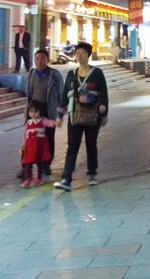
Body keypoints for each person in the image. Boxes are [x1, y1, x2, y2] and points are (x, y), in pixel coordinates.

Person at [54, 42, 108, 191]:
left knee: (91, 145)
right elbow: (64, 96)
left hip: (93, 116)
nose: (79, 55)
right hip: (75, 116)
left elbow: (104, 94)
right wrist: (60, 115)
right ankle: (66, 178)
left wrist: (104, 114)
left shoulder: (97, 73)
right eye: (77, 53)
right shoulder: (71, 74)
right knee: (72, 146)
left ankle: (91, 173)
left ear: (88, 55)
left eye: (82, 53)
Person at [23, 49, 64, 177]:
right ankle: (26, 165)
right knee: (29, 138)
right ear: (34, 60)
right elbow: (27, 92)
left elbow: (61, 94)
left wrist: (60, 114)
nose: (39, 61)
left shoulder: (55, 75)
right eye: (37, 58)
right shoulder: (31, 74)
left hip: (48, 109)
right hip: (34, 110)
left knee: (48, 138)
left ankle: (46, 165)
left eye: (42, 58)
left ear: (47, 59)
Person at [21, 100, 56, 187]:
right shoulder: (28, 123)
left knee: (39, 163)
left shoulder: (43, 120)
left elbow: (51, 124)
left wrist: (56, 122)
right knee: (27, 163)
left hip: (39, 147)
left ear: (40, 111)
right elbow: (25, 134)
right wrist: (23, 144)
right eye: (31, 111)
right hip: (29, 147)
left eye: (35, 111)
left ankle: (38, 179)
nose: (33, 114)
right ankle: (28, 179)